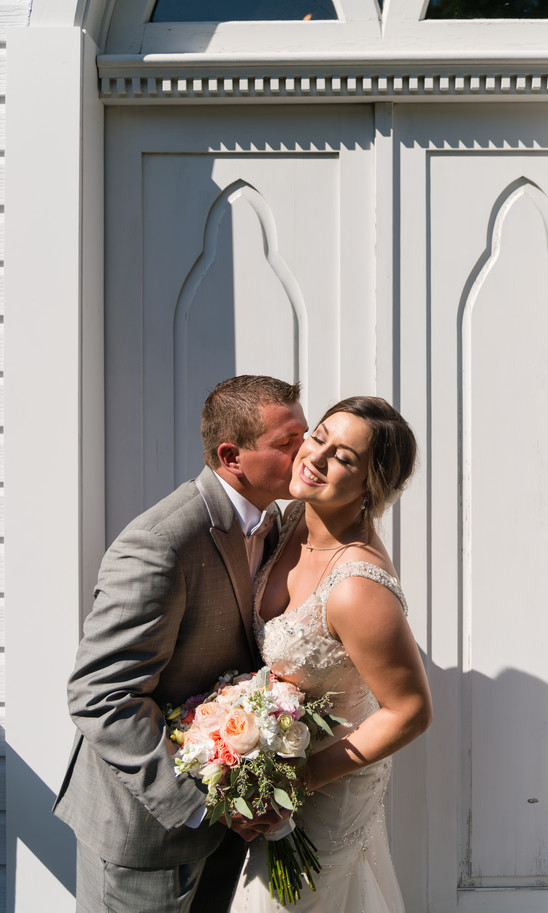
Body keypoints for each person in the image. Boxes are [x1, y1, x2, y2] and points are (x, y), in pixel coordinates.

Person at [53, 375, 308, 913]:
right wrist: (200, 806)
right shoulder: (162, 542)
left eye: (304, 434)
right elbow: (101, 696)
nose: (305, 452)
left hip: (227, 829)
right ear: (231, 455)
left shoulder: (279, 524)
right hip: (145, 832)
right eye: (288, 442)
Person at [230, 396, 433, 912]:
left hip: (327, 793)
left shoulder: (357, 587)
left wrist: (298, 781)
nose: (315, 458)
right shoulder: (293, 518)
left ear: (372, 486)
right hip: (282, 777)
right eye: (319, 437)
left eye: (344, 458)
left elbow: (410, 710)